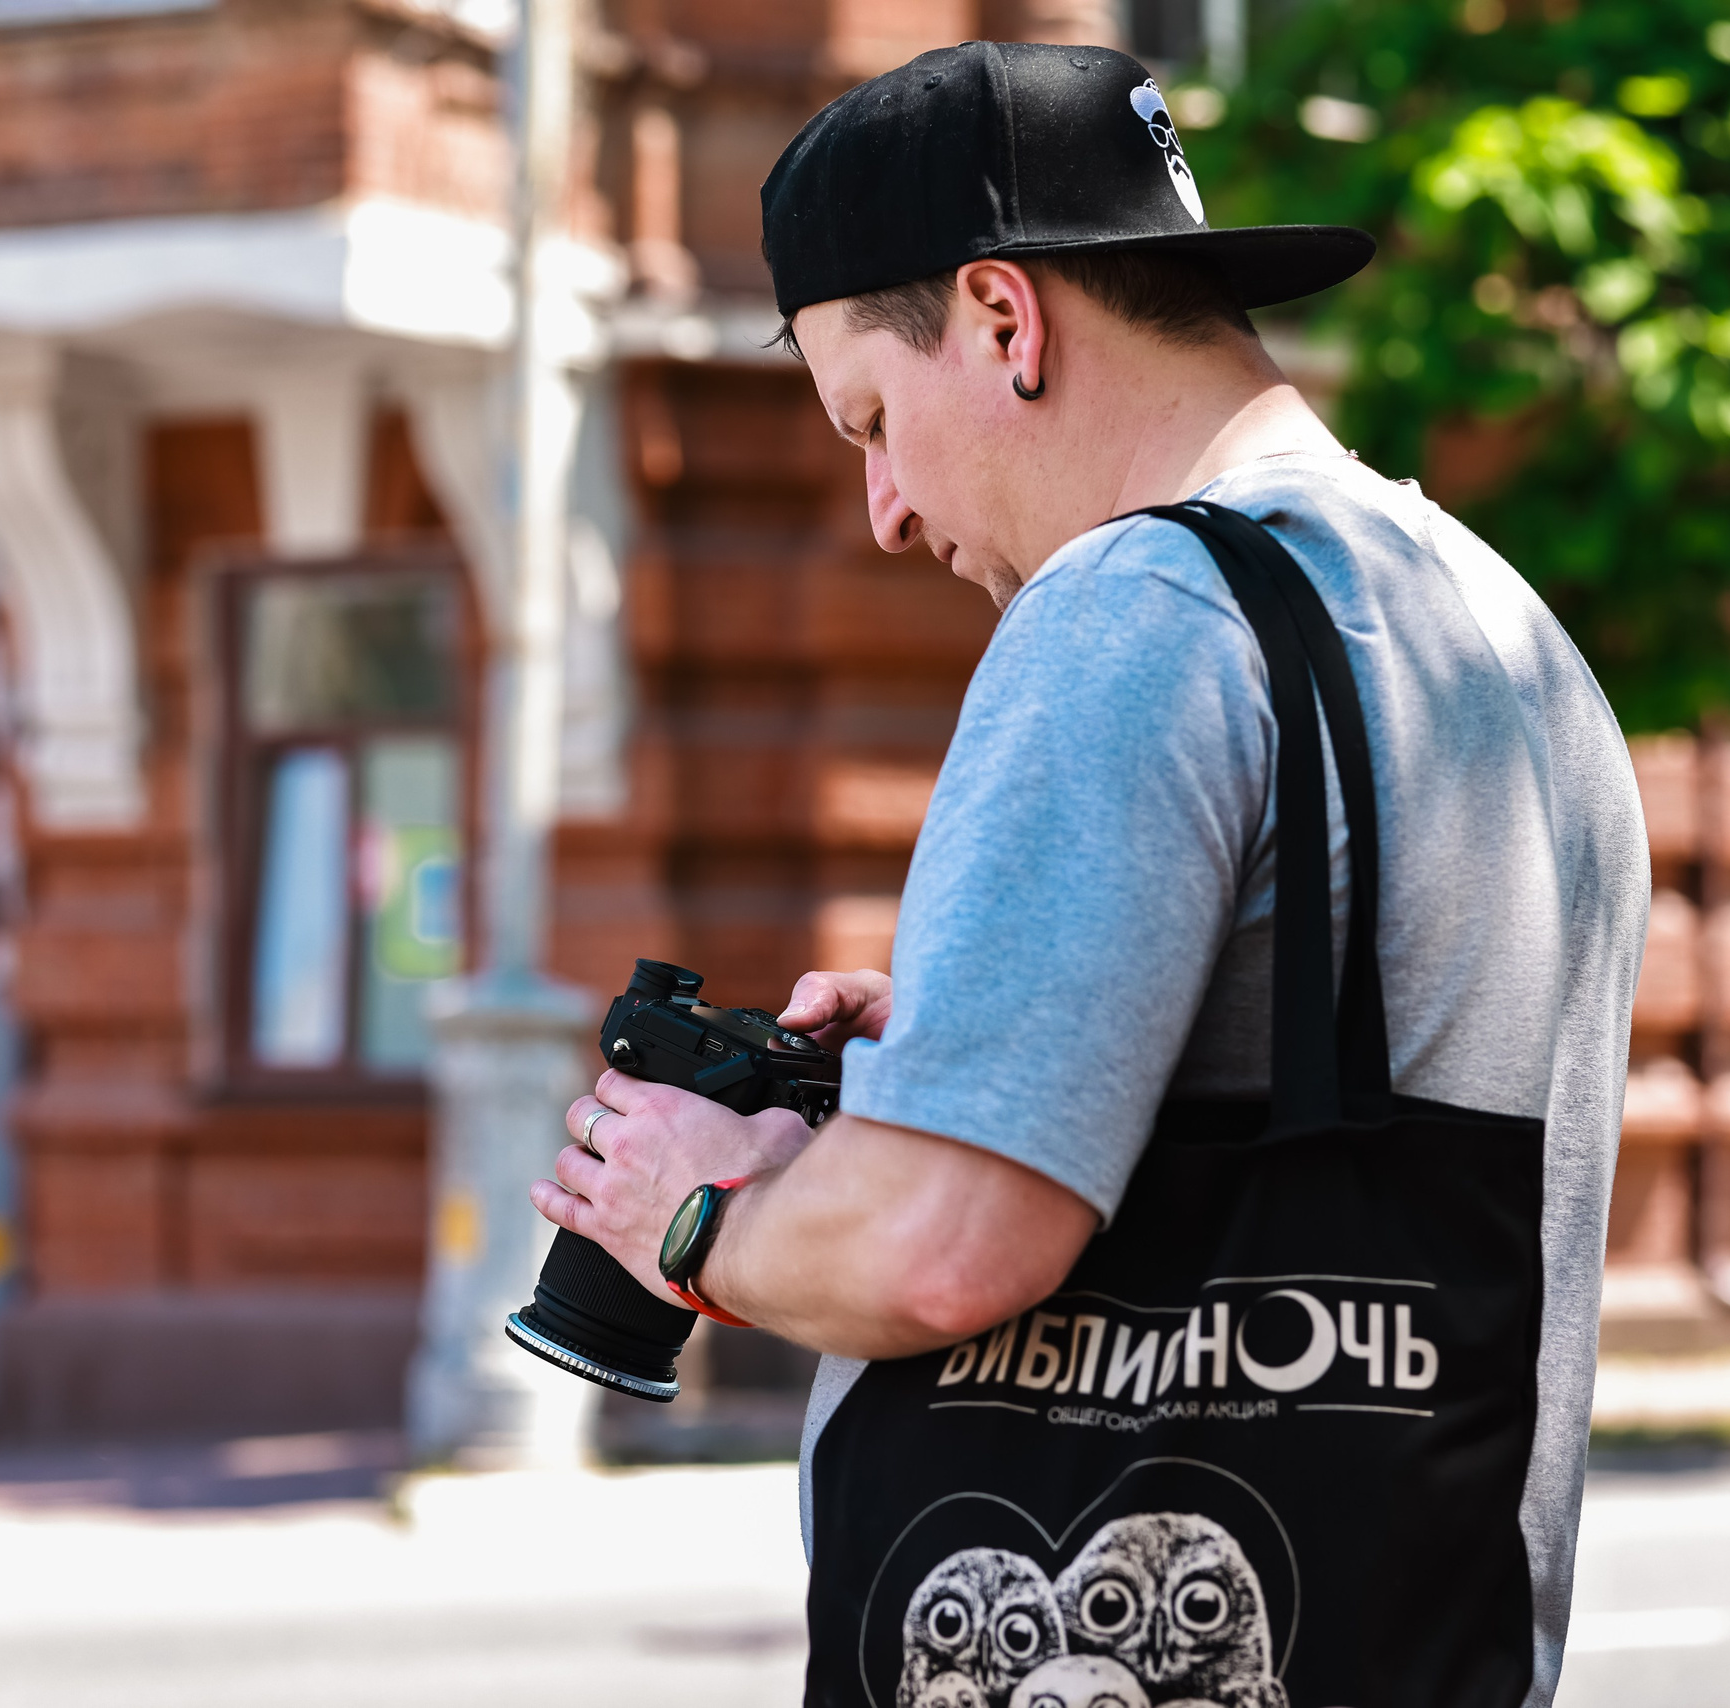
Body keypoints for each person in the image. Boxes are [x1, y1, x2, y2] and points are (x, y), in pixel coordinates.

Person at [533, 40, 1647, 1708]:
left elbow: (943, 1249)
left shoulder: (1134, 610)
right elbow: (1339, 1073)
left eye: (873, 420)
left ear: (1004, 320)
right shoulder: (1496, 629)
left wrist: (688, 1212)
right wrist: (967, 1045)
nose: (887, 509)